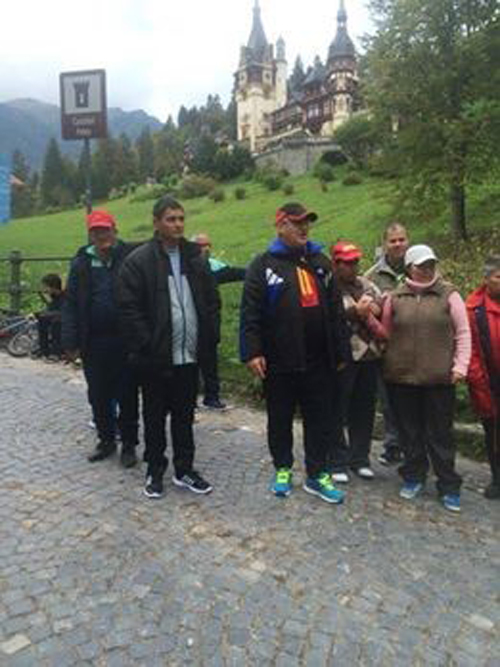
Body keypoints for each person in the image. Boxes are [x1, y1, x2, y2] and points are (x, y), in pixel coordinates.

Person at [240, 202, 350, 504]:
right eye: (296, 223)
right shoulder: (263, 265)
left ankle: (317, 473)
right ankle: (283, 468)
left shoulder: (321, 263)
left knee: (320, 419)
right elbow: (250, 313)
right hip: (279, 361)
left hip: (319, 360)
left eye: (306, 223)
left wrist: (342, 352)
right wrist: (252, 352)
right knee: (280, 418)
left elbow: (336, 312)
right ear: (281, 226)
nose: (304, 228)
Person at [119, 195, 219, 499]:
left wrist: (209, 336)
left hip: (189, 355)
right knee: (154, 417)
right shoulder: (139, 261)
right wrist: (148, 344)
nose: (177, 224)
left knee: (184, 417)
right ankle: (155, 469)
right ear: (156, 222)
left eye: (181, 219)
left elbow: (211, 301)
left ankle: (184, 469)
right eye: (171, 219)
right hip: (156, 358)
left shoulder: (195, 257)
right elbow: (128, 308)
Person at [382, 244, 471, 513]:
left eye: (430, 264)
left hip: (439, 378)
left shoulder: (449, 295)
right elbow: (384, 332)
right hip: (401, 378)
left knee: (440, 434)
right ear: (409, 268)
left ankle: (448, 485)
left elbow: (463, 333)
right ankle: (413, 475)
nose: (427, 269)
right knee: (409, 433)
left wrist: (461, 366)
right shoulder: (395, 297)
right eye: (421, 265)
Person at [62, 210, 139, 468]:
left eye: (105, 229)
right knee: (98, 394)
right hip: (93, 341)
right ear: (90, 235)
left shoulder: (129, 256)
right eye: (96, 231)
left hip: (125, 340)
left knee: (127, 394)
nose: (101, 235)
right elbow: (71, 304)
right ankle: (106, 440)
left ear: (115, 230)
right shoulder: (81, 263)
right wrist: (70, 342)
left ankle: (129, 444)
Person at [330, 241, 387, 483]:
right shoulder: (329, 287)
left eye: (355, 261)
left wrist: (372, 308)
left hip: (369, 357)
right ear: (336, 264)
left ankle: (360, 458)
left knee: (364, 409)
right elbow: (328, 314)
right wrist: (355, 312)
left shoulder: (366, 284)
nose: (353, 266)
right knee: (337, 410)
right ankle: (337, 459)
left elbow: (382, 305)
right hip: (342, 357)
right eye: (347, 262)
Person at [365, 222, 410, 466]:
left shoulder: (420, 267)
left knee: (415, 399)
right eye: (393, 241)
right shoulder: (372, 275)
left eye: (401, 239)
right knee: (389, 400)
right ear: (385, 244)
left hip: (417, 346)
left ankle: (417, 447)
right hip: (387, 348)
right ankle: (393, 446)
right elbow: (365, 310)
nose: (398, 244)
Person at [192, 232, 246, 410]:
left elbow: (233, 273)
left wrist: (256, 271)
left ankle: (212, 397)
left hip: (209, 324)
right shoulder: (185, 268)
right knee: (190, 365)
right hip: (190, 324)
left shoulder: (213, 266)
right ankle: (189, 401)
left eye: (208, 245)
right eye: (201, 245)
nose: (206, 248)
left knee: (210, 362)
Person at [466, 255, 500, 499]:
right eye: (499, 277)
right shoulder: (473, 308)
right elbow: (471, 350)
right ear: (486, 279)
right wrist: (478, 380)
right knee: (493, 432)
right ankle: (497, 478)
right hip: (489, 380)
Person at [35, 273, 65, 360]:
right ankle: (44, 350)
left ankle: (56, 352)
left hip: (64, 320)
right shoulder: (54, 297)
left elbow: (62, 312)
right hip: (56, 317)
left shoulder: (65, 297)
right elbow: (50, 309)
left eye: (46, 287)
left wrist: (45, 314)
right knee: (42, 321)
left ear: (53, 287)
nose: (44, 289)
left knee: (56, 322)